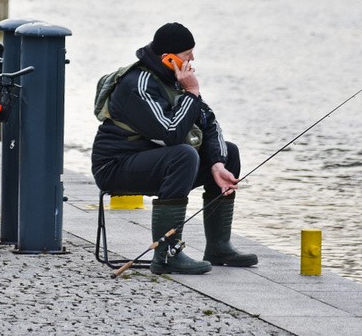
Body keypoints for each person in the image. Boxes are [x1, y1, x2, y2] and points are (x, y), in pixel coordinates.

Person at [91, 22, 257, 275]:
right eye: (186, 54)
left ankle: (219, 247)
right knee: (183, 154)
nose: (192, 58)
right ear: (167, 58)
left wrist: (217, 163)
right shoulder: (139, 83)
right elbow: (171, 133)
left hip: (153, 161)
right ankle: (167, 255)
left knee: (228, 152)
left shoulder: (175, 80)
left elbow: (209, 124)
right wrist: (192, 91)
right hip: (116, 165)